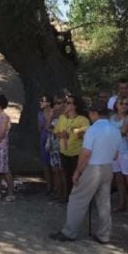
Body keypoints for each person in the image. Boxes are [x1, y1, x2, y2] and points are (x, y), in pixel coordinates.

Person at [49, 102, 121, 243]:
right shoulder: (115, 130)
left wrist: (77, 171)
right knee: (103, 202)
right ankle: (104, 234)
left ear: (94, 113)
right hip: (107, 167)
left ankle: (69, 232)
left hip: (93, 167)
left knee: (77, 198)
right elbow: (115, 155)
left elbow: (86, 153)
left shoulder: (92, 130)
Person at [54, 94, 90, 201]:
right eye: (65, 102)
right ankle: (69, 196)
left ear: (75, 106)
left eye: (68, 103)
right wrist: (62, 135)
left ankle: (80, 198)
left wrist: (79, 133)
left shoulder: (83, 120)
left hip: (77, 153)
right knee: (67, 175)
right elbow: (56, 132)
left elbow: (87, 134)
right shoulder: (62, 118)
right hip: (64, 151)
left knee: (78, 176)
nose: (66, 104)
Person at [110, 96, 128, 215]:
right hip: (114, 151)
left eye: (126, 104)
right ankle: (122, 204)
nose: (124, 106)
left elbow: (123, 131)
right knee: (119, 179)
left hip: (126, 152)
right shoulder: (112, 118)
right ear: (116, 105)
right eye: (121, 103)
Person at [38, 95, 54, 196]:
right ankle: (49, 186)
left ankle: (56, 187)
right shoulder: (40, 114)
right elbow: (39, 128)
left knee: (54, 165)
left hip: (53, 138)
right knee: (45, 165)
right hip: (44, 138)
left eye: (42, 101)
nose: (40, 103)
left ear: (48, 102)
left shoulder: (55, 112)